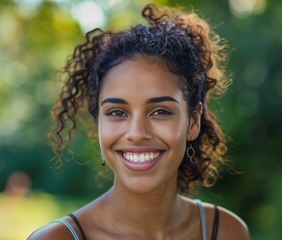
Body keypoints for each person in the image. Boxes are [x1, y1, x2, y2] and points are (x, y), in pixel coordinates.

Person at [28, 3, 249, 240]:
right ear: (98, 124)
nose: (136, 132)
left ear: (193, 122)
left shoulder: (226, 231)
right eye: (117, 113)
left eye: (160, 111)